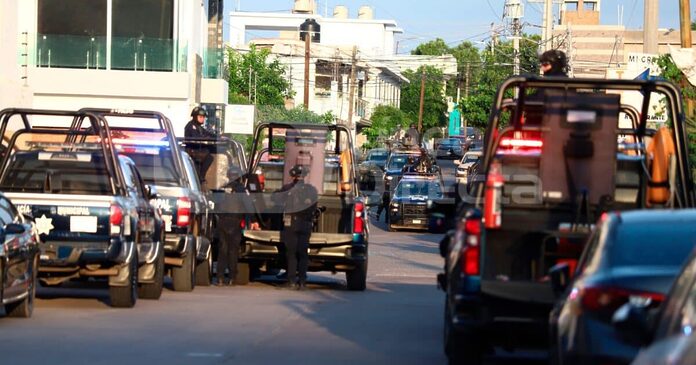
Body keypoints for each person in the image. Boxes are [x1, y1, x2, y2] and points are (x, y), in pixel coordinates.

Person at [215, 165, 259, 286]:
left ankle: (219, 277)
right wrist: (254, 220)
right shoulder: (242, 190)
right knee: (233, 250)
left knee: (222, 250)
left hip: (222, 222)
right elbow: (248, 206)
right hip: (235, 222)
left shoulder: (222, 189)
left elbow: (215, 205)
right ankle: (232, 277)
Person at [279, 165, 318, 290]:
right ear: (304, 176)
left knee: (291, 253)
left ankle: (291, 280)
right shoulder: (312, 190)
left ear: (293, 175)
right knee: (303, 253)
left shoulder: (287, 189)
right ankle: (302, 281)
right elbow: (314, 207)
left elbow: (275, 199)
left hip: (291, 224)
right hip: (306, 224)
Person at [184, 106, 216, 185]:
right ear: (195, 117)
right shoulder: (191, 126)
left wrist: (218, 136)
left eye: (203, 117)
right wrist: (206, 138)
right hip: (193, 151)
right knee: (209, 157)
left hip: (199, 149)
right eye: (200, 117)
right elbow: (196, 137)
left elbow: (208, 134)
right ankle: (200, 177)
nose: (203, 119)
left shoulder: (199, 127)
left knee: (214, 149)